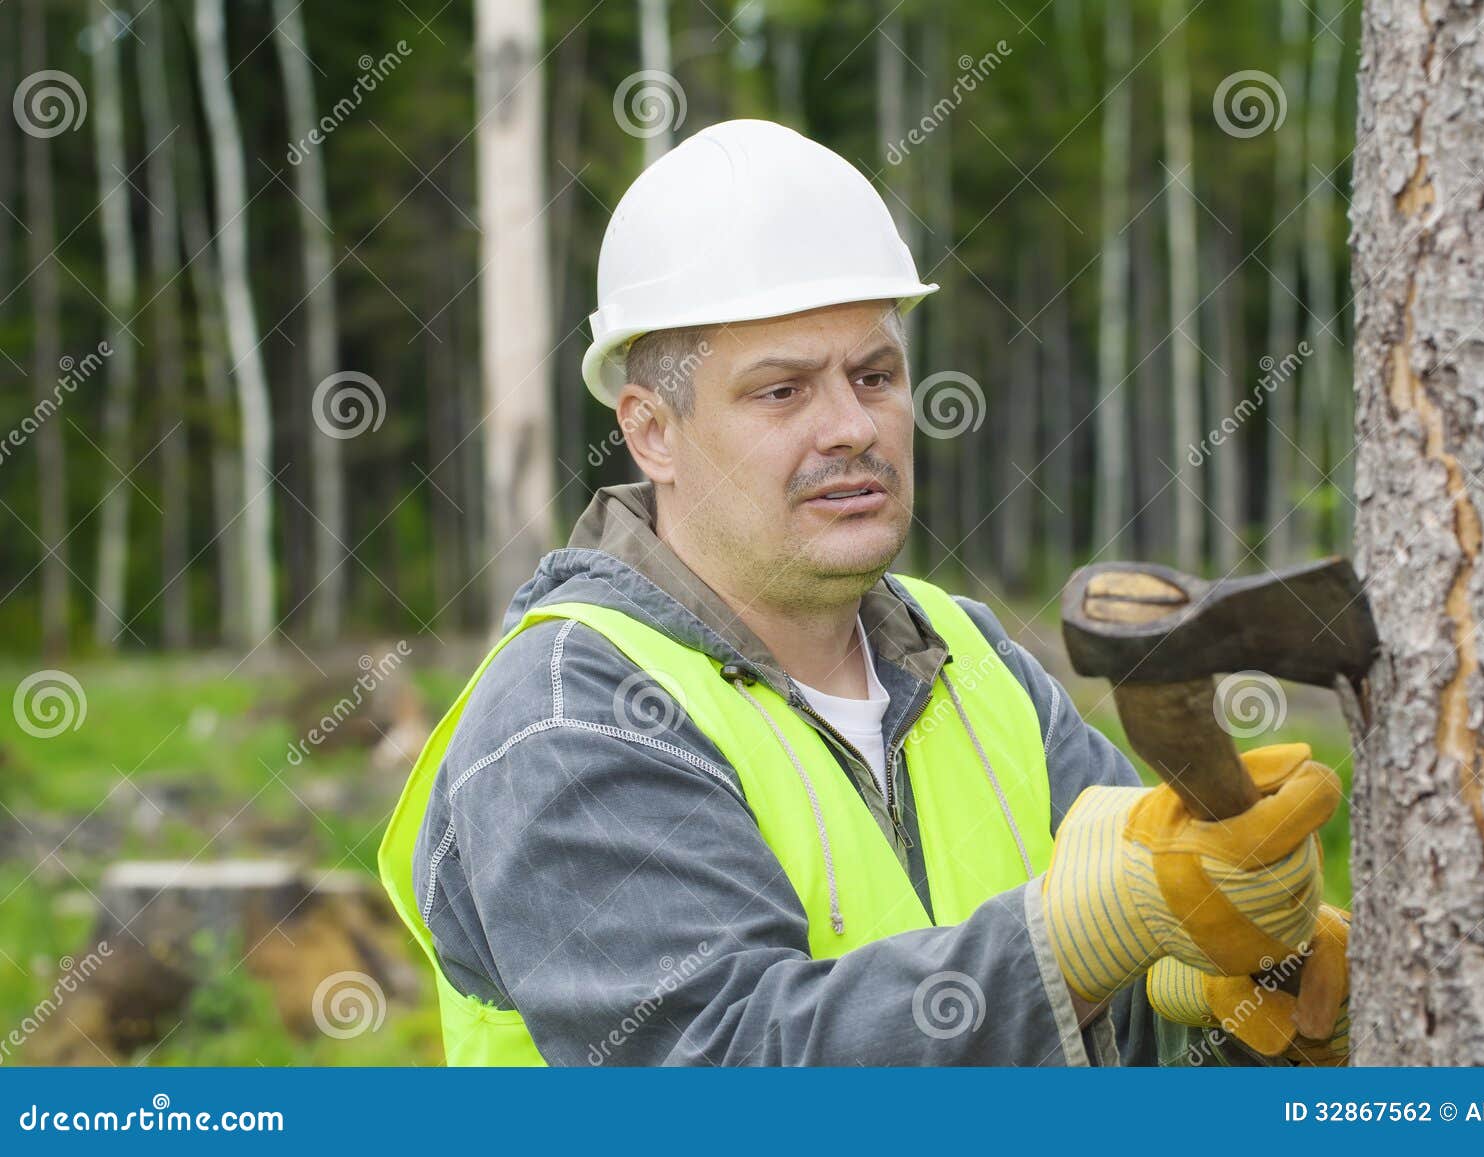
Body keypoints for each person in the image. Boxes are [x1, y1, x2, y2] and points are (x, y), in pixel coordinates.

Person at [378, 119, 1349, 1066]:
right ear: (650, 430)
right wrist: (1074, 942)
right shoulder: (570, 714)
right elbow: (725, 1063)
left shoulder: (969, 655)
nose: (851, 425)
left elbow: (1109, 979)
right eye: (781, 391)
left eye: (874, 374)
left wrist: (1208, 997)